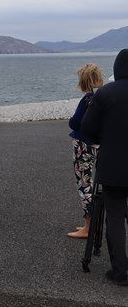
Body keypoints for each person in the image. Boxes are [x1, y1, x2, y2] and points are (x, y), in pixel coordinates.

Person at [80, 49, 128, 286]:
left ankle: (120, 272)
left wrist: (105, 136)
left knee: (116, 217)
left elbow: (87, 128)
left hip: (113, 167)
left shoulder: (106, 94)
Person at [67, 63, 103, 238]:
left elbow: (74, 123)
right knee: (97, 185)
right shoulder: (103, 98)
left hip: (83, 146)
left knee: (84, 184)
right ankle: (93, 224)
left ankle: (89, 227)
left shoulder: (87, 99)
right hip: (100, 145)